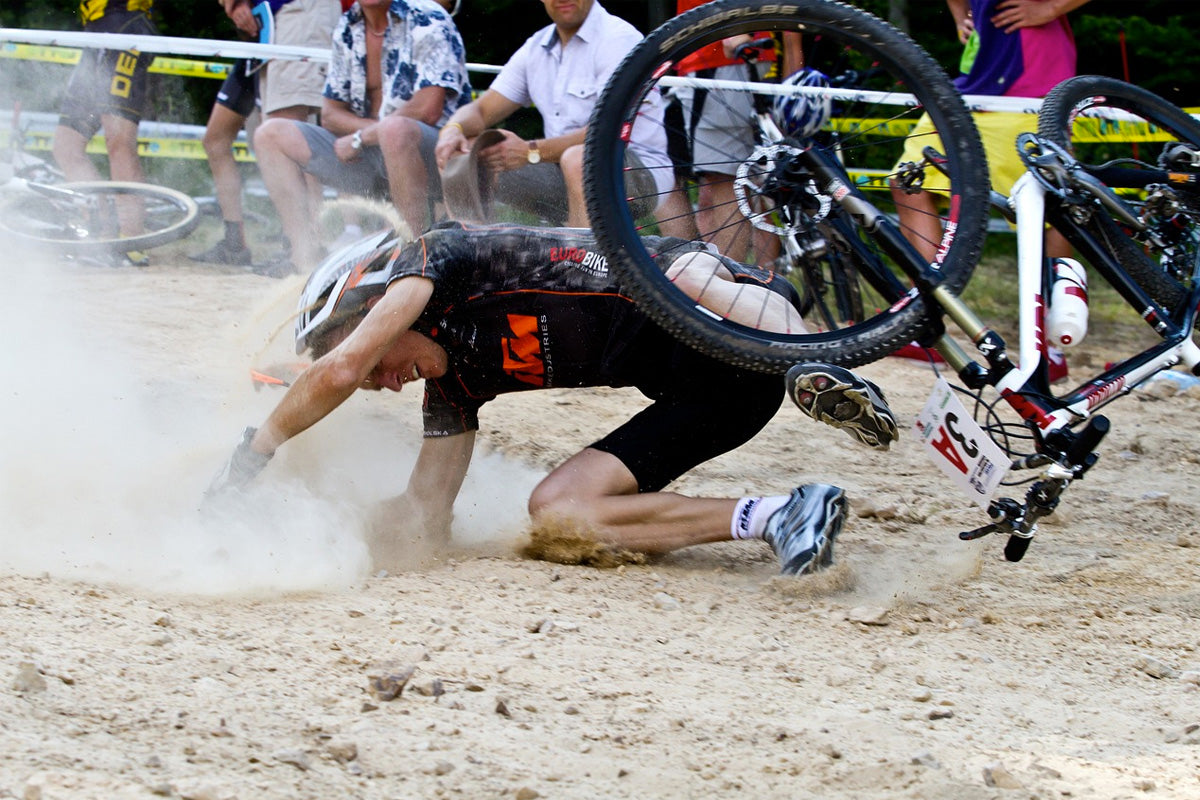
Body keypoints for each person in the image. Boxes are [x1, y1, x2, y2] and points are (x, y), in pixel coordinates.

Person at [207, 222, 899, 575]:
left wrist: (253, 456)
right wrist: (321, 532)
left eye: (369, 366)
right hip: (714, 396)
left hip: (715, 296)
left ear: (373, 306)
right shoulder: (455, 384)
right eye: (368, 387)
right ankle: (784, 517)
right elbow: (422, 519)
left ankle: (814, 358)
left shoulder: (434, 260)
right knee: (557, 513)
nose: (376, 383)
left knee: (680, 276)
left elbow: (337, 368)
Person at [254, 0, 471, 273]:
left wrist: (364, 136)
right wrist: (370, 136)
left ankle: (415, 257)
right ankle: (304, 260)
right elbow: (331, 114)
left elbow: (428, 108)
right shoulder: (348, 25)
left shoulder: (428, 17)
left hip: (437, 157)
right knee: (270, 134)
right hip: (367, 156)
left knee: (395, 131)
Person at [434, 0, 671, 228]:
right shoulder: (536, 47)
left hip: (638, 172)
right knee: (468, 152)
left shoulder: (617, 38)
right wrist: (453, 130)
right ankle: (472, 254)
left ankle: (580, 263)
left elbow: (607, 131)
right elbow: (481, 109)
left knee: (578, 159)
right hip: (559, 168)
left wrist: (531, 152)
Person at [891, 0, 1093, 262]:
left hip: (1030, 76)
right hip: (976, 79)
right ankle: (932, 299)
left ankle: (1057, 303)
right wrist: (961, 16)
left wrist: (1051, 8)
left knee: (1045, 208)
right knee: (907, 183)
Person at [52, 0, 159, 263]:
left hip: (126, 24)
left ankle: (131, 243)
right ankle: (100, 234)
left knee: (119, 140)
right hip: (96, 32)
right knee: (66, 146)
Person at [189, 0, 266, 266]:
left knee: (280, 141)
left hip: (282, 36)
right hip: (254, 45)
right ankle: (235, 242)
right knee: (215, 139)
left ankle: (301, 243)